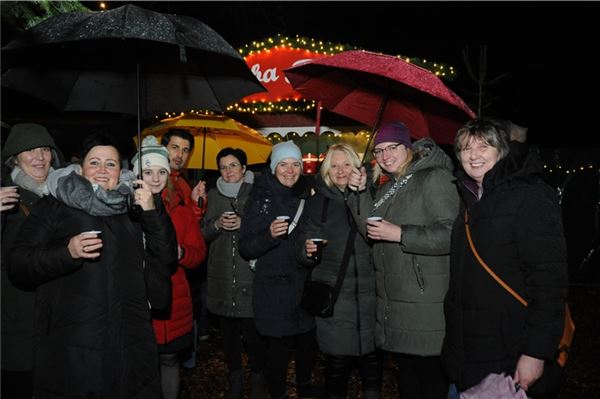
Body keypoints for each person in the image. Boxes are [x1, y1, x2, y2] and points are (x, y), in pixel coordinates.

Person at [7, 132, 178, 398]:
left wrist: (152, 212)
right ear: (80, 168)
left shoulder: (136, 203)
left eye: (110, 164)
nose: (102, 170)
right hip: (73, 344)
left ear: (120, 171)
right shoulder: (55, 204)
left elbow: (165, 256)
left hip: (130, 339)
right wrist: (66, 252)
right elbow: (19, 264)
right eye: (94, 162)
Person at [441, 118, 568, 398]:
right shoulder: (470, 198)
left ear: (502, 150)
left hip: (509, 356)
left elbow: (549, 283)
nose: (473, 155)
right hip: (467, 356)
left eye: (483, 146)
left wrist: (535, 353)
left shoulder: (531, 196)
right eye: (465, 148)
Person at [347, 121, 459, 399]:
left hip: (426, 305)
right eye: (379, 150)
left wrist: (400, 233)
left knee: (430, 380)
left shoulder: (435, 177)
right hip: (395, 303)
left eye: (393, 147)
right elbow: (369, 230)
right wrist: (359, 193)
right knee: (408, 380)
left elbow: (451, 234)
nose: (385, 156)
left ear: (408, 147)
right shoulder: (392, 184)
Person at [297, 143, 381, 399]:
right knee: (336, 367)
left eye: (346, 164)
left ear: (357, 166)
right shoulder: (315, 203)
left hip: (372, 297)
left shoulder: (375, 195)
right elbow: (302, 248)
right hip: (335, 298)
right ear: (326, 171)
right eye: (334, 165)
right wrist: (307, 250)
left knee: (373, 365)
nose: (340, 170)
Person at [239, 141, 322, 399]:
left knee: (308, 346)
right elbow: (246, 248)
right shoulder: (260, 198)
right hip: (273, 291)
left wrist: (312, 248)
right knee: (278, 352)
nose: (290, 170)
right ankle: (277, 394)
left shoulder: (310, 195)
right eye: (283, 164)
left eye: (296, 164)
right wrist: (269, 235)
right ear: (273, 168)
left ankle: (304, 389)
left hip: (303, 287)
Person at [132, 136, 207, 399]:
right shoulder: (124, 208)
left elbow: (199, 254)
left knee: (169, 360)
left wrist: (182, 252)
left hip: (175, 301)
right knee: (140, 366)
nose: (155, 178)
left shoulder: (181, 209)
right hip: (137, 301)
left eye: (162, 171)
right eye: (148, 171)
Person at [1, 123, 62, 399]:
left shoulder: (64, 196)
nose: (39, 156)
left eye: (44, 149)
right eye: (29, 150)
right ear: (15, 157)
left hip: (58, 318)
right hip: (15, 321)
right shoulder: (5, 197)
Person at [201, 147, 268, 399]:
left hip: (249, 275)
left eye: (233, 165)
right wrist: (216, 225)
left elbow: (267, 230)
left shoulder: (258, 194)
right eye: (223, 167)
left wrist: (246, 223)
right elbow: (201, 234)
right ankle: (235, 378)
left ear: (244, 168)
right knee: (228, 335)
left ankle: (259, 378)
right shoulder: (211, 195)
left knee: (254, 334)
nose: (228, 171)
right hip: (220, 276)